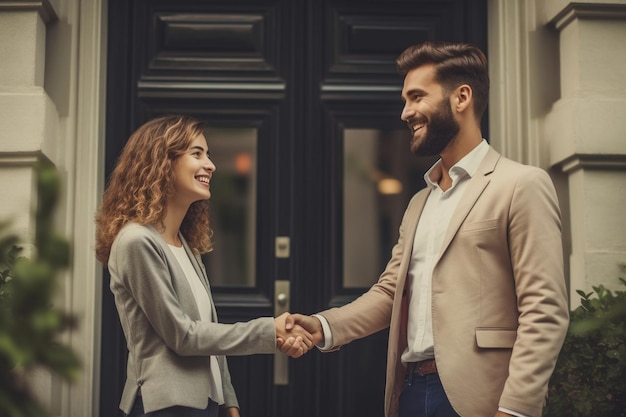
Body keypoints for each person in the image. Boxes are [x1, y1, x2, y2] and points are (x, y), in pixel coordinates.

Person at [280, 41, 570, 417]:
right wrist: (323, 326)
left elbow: (544, 309)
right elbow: (390, 293)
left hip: (482, 397)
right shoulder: (420, 202)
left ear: (461, 97)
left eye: (417, 97)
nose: (406, 112)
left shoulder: (521, 185)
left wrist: (515, 409)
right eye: (405, 100)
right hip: (412, 391)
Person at [95, 115, 312, 417]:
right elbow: (183, 336)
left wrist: (229, 401)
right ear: (162, 162)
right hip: (166, 406)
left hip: (205, 405)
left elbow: (206, 332)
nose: (210, 164)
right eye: (196, 154)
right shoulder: (136, 242)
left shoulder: (186, 246)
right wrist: (269, 329)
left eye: (208, 155)